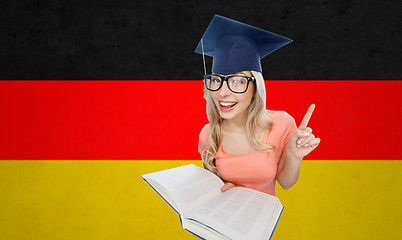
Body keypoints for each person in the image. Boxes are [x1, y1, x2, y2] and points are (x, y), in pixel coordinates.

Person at [195, 15, 320, 196]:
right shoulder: (208, 134)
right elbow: (212, 187)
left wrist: (293, 155)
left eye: (237, 81)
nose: (223, 93)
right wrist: (222, 189)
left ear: (255, 88)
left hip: (264, 221)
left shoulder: (282, 123)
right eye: (216, 80)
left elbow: (285, 183)